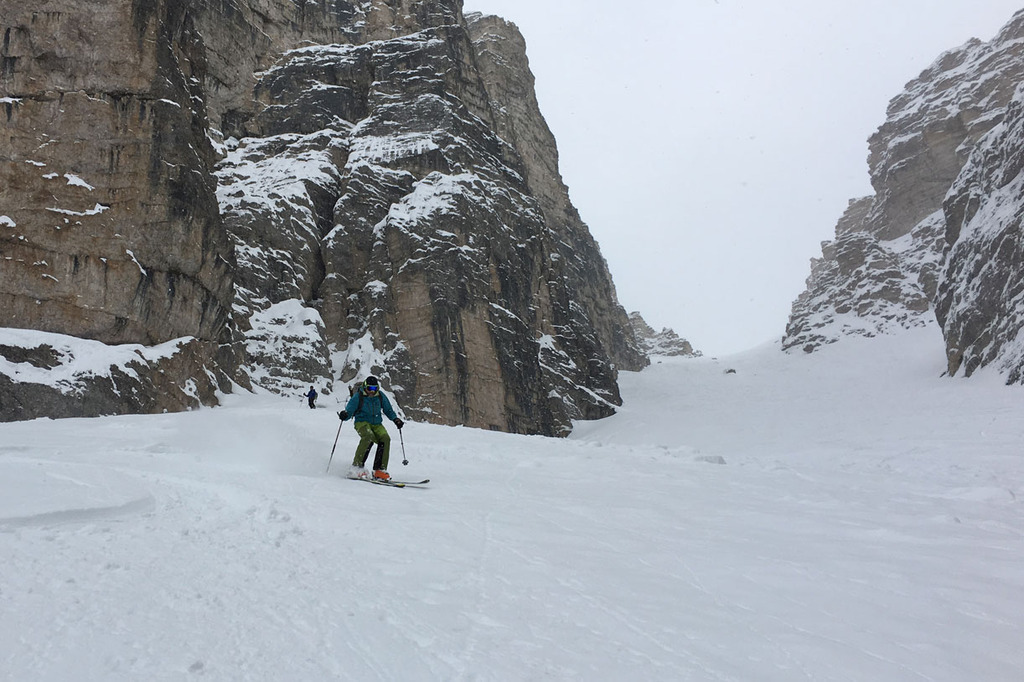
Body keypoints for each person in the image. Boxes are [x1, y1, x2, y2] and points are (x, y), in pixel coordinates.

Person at [337, 375, 404, 481]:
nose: (372, 391)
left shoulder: (380, 396)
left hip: (377, 424)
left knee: (385, 439)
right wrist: (345, 415)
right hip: (361, 422)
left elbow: (388, 410)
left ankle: (379, 470)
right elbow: (349, 411)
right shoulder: (358, 397)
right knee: (368, 436)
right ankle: (357, 466)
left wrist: (395, 419)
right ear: (365, 387)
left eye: (374, 388)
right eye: (370, 388)